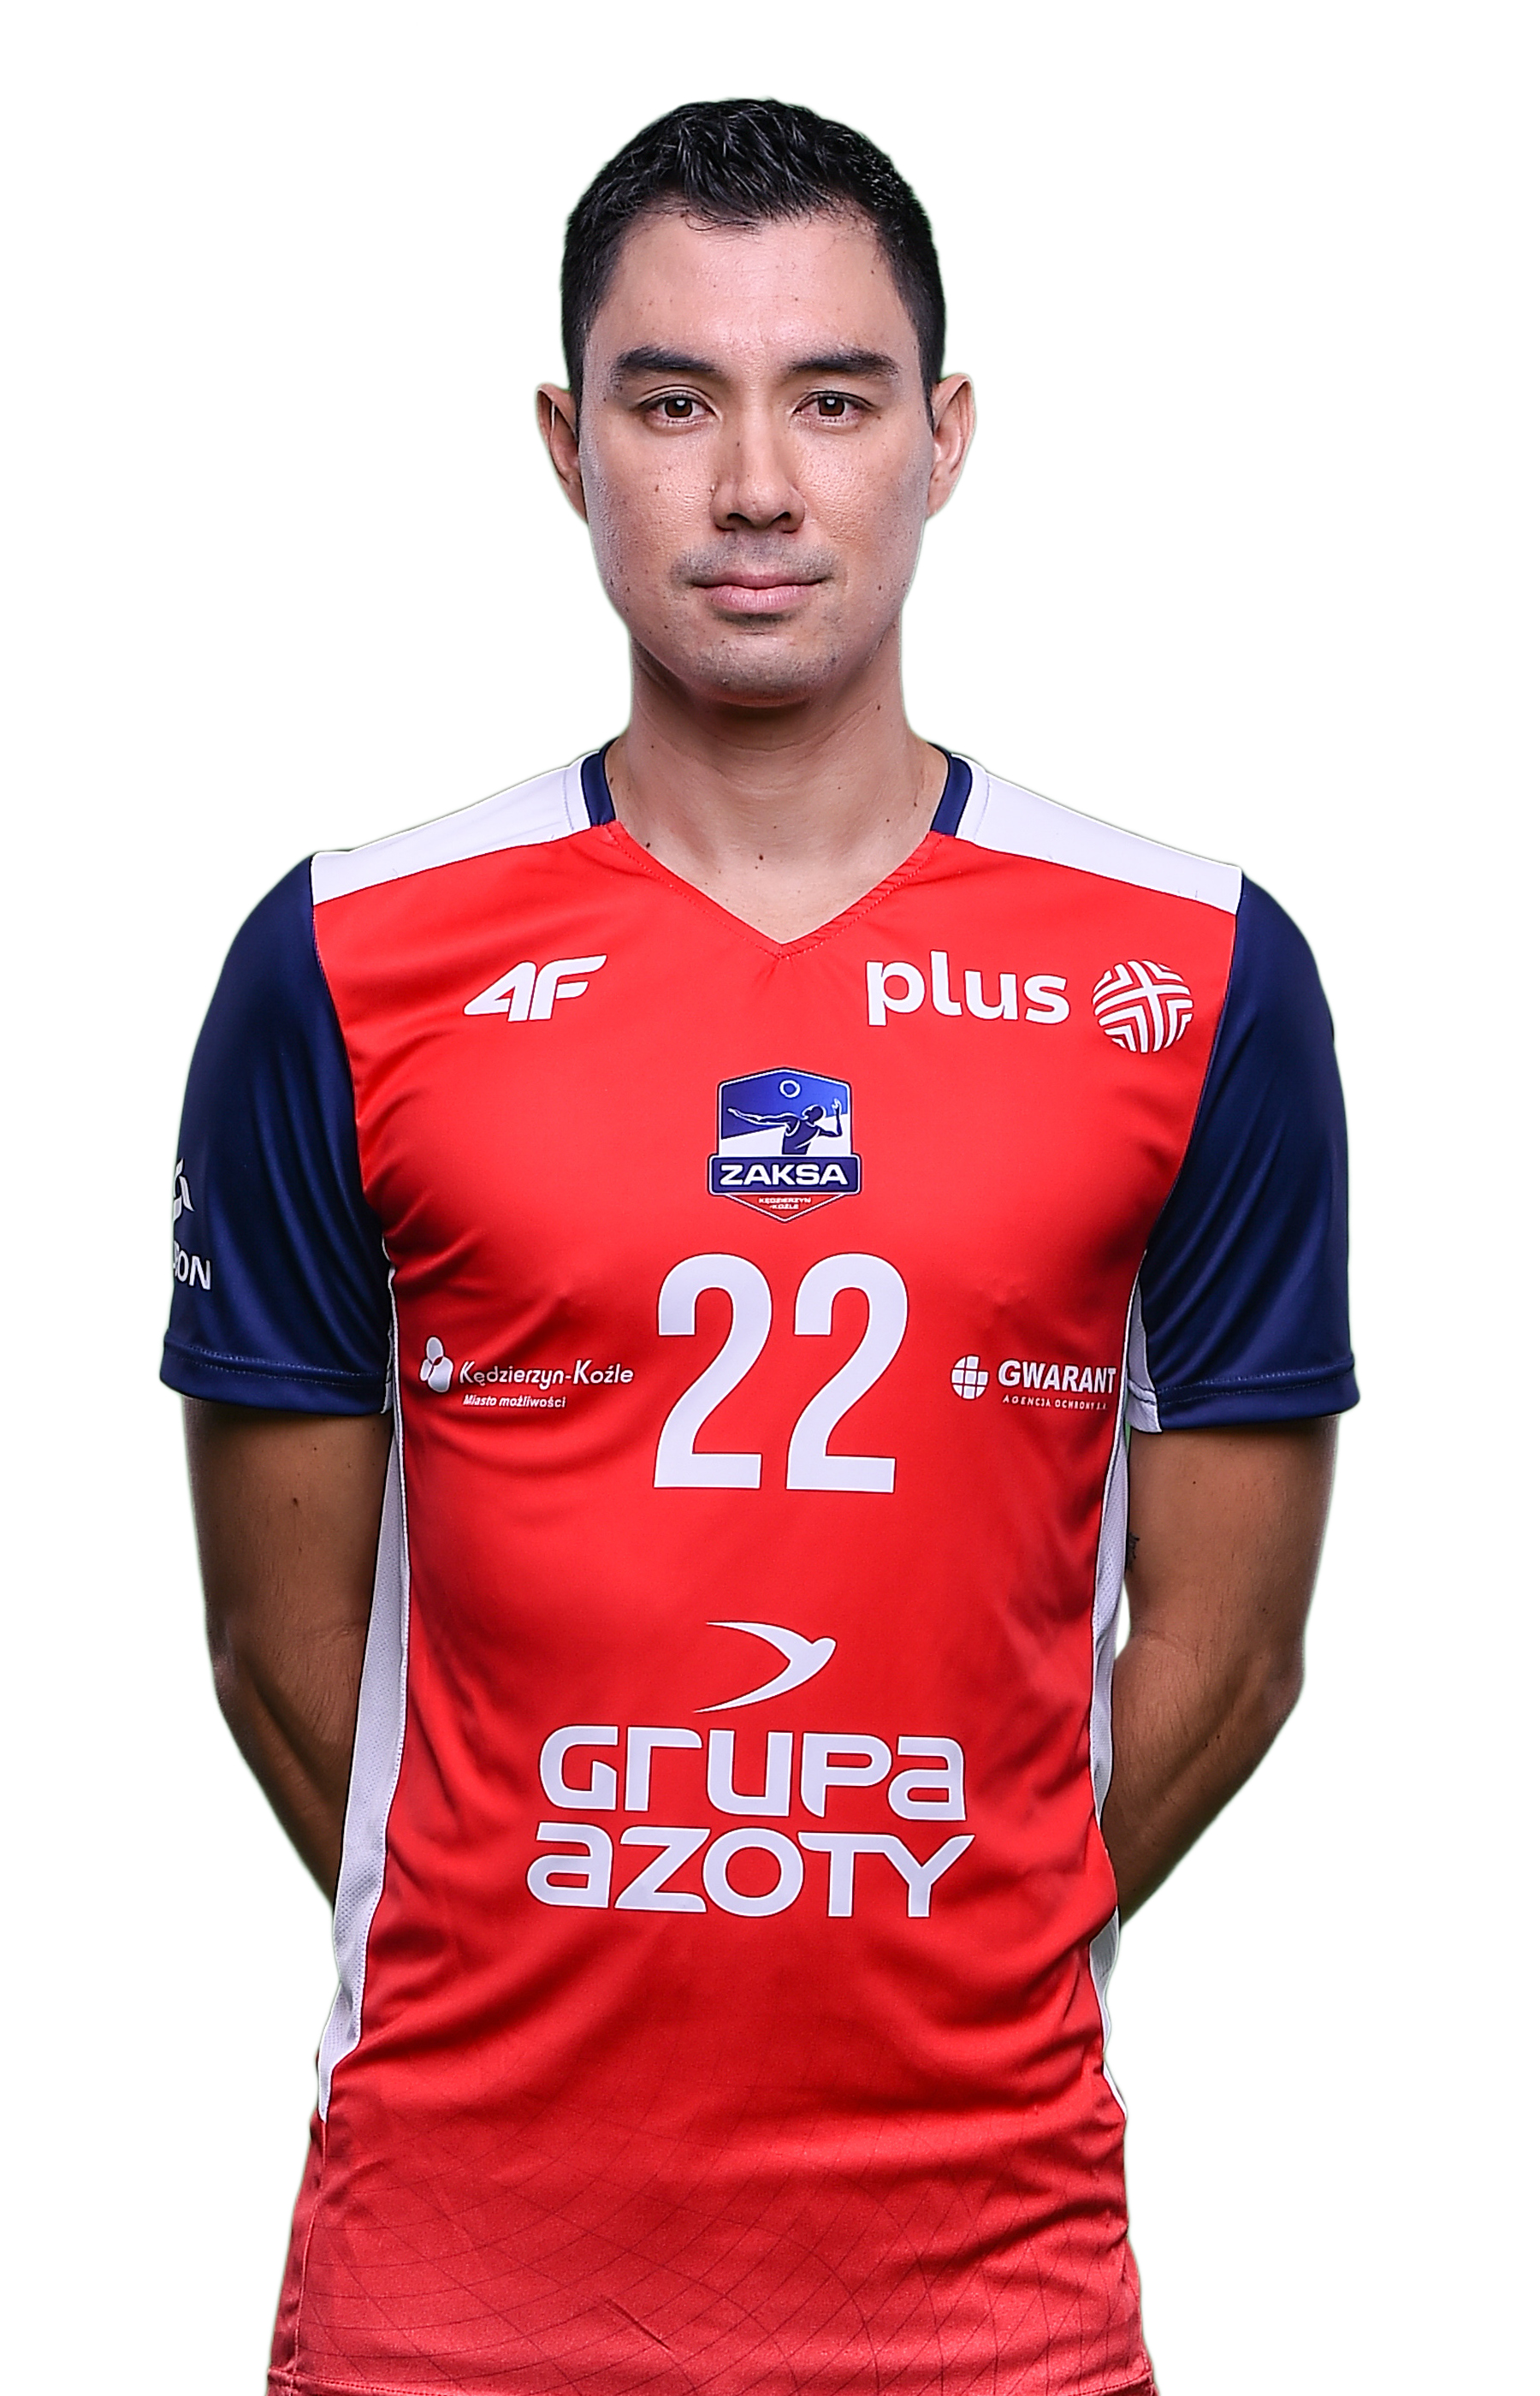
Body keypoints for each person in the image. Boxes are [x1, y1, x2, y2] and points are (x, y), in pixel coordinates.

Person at [163, 97, 1356, 2396]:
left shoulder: (1200, 971)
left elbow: (1231, 1651)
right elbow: (278, 1650)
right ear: (564, 444)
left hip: (985, 2283)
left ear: (945, 436)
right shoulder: (343, 959)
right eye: (670, 399)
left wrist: (943, 1951)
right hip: (454, 2280)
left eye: (832, 398)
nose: (753, 487)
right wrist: (570, 1950)